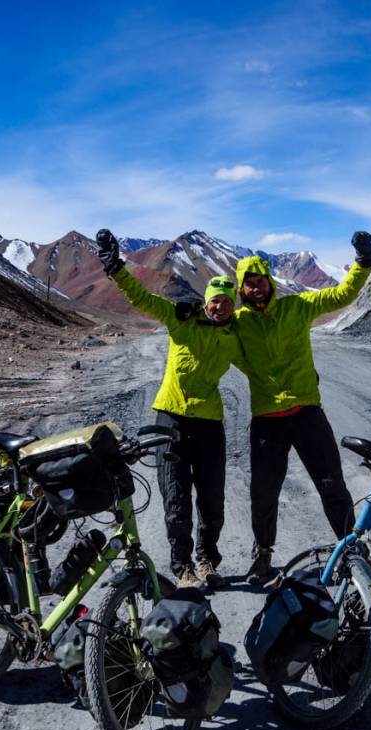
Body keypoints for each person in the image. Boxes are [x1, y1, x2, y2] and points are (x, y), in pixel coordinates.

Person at [96, 229, 241, 590]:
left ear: (232, 303)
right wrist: (115, 268)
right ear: (206, 300)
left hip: (209, 421)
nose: (220, 305)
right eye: (215, 299)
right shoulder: (181, 319)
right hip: (171, 417)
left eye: (226, 300)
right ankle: (182, 566)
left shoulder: (235, 335)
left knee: (212, 499)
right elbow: (142, 299)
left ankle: (208, 560)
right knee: (176, 497)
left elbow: (260, 362)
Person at [233, 232, 371, 584]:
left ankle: (352, 549)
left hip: (307, 414)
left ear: (269, 283)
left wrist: (363, 264)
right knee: (264, 493)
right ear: (242, 289)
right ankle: (263, 554)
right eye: (249, 284)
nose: (257, 288)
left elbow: (342, 294)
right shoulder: (237, 324)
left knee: (332, 484)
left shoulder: (297, 307)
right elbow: (205, 335)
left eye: (261, 281)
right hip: (267, 420)